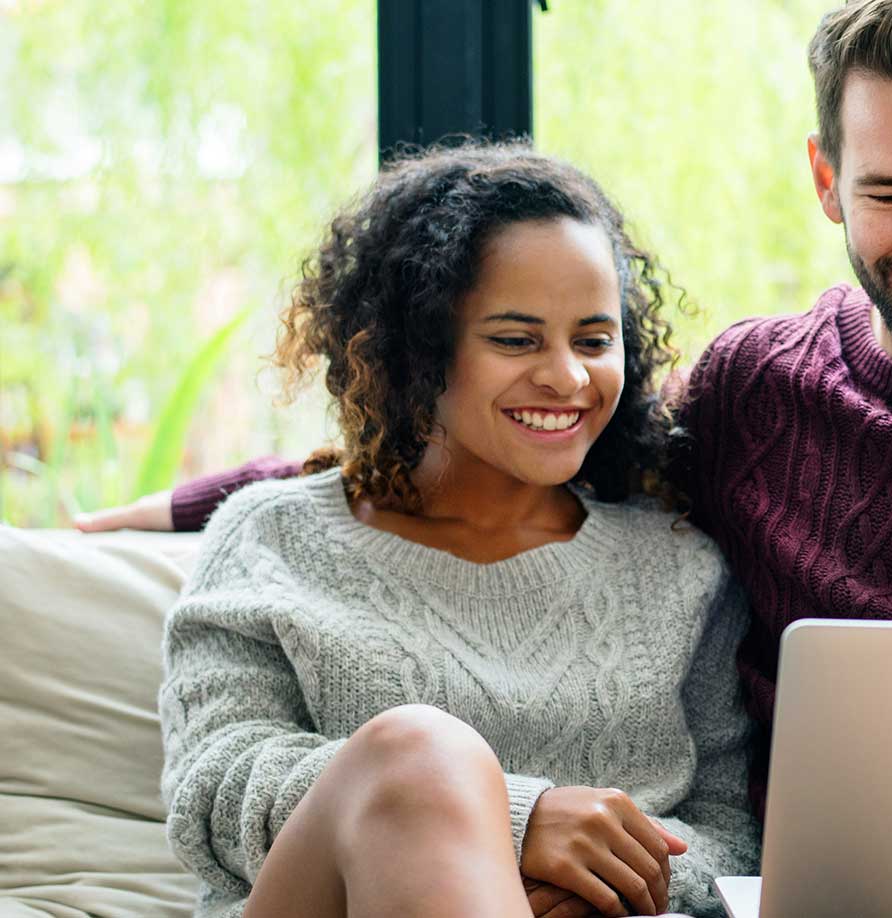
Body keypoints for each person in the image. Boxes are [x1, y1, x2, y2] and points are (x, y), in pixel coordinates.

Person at [83, 3, 892, 914]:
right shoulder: (758, 393)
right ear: (827, 178)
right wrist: (197, 502)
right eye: (891, 192)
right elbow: (516, 428)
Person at [151, 143, 756, 918]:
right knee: (417, 753)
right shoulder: (269, 540)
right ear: (420, 350)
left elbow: (732, 837)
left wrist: (593, 881)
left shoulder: (679, 570)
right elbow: (215, 786)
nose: (568, 376)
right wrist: (509, 823)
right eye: (516, 338)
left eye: (595, 339)